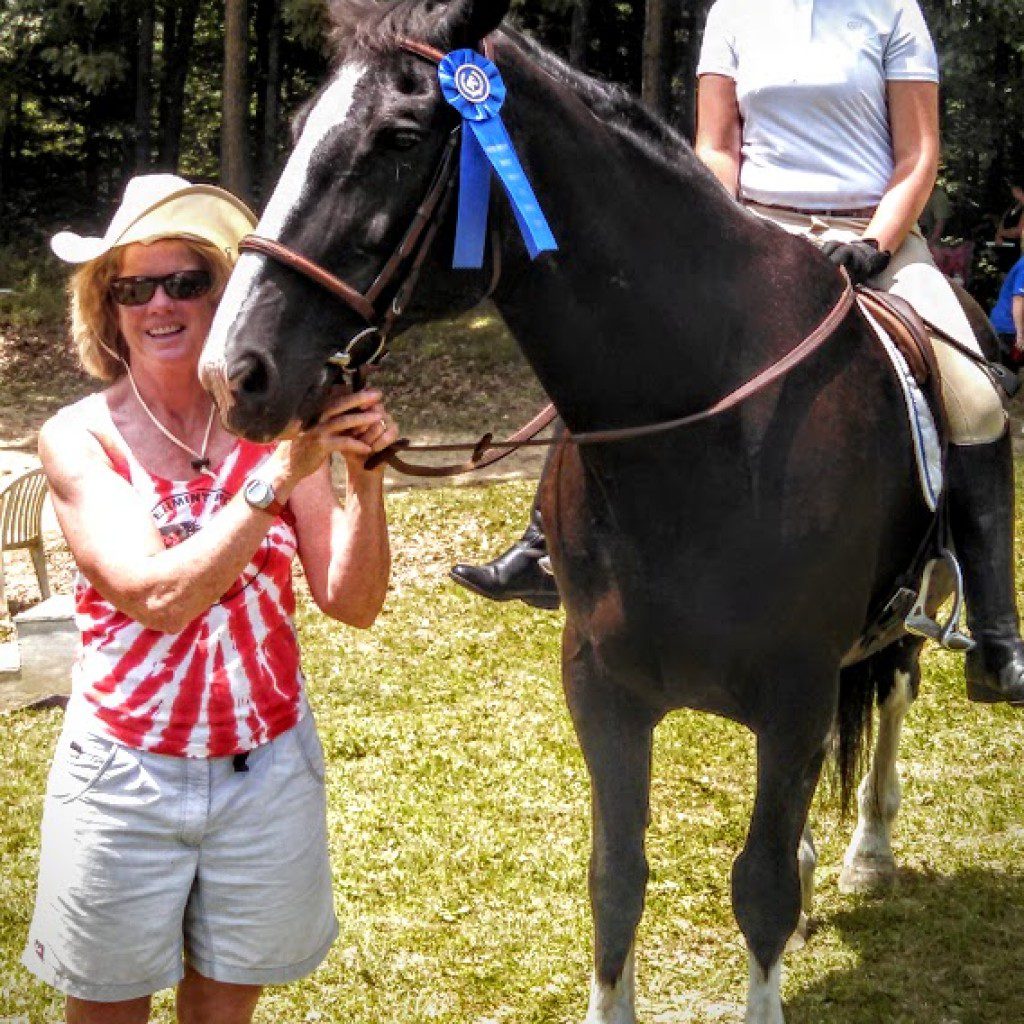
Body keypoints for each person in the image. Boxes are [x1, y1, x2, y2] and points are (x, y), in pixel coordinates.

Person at [453, 0, 1024, 706]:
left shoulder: (893, 10)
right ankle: (542, 545)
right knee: (626, 345)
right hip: (756, 236)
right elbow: (717, 145)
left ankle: (996, 632)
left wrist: (875, 243)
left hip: (873, 236)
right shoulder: (735, 12)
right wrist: (714, 233)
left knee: (971, 390)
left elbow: (918, 155)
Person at [20, 174, 399, 1023]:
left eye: (186, 282)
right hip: (126, 777)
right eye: (134, 286)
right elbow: (157, 597)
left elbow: (353, 601)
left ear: (223, 296)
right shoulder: (80, 436)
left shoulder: (272, 421)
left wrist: (362, 480)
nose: (161, 304)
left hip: (264, 774)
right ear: (106, 307)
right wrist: (276, 478)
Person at [990, 253, 1024, 368]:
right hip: (1008, 329)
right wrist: (1020, 335)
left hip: (1010, 328)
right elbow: (1019, 300)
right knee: (1007, 375)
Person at [994, 180, 1024, 249]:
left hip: (1018, 248)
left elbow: (1018, 231)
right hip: (1005, 246)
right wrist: (998, 235)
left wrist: (1001, 233)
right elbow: (1003, 219)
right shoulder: (1013, 205)